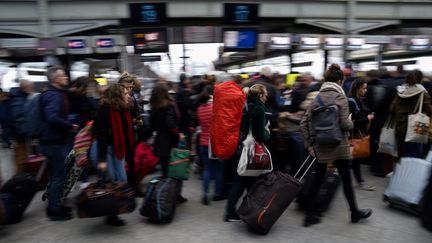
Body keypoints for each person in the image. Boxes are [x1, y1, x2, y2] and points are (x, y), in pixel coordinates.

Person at [300, 64, 372, 227]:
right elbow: (345, 125)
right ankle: (354, 213)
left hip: (321, 146)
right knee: (346, 180)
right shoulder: (341, 98)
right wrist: (352, 122)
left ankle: (309, 216)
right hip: (339, 146)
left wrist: (309, 145)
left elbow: (303, 123)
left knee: (317, 180)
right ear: (340, 81)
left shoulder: (316, 98)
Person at [225, 84, 271, 222]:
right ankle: (234, 212)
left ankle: (247, 210)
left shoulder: (245, 105)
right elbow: (259, 136)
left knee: (246, 182)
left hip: (241, 147)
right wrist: (267, 134)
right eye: (265, 94)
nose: (267, 96)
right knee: (242, 182)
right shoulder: (258, 109)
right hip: (250, 151)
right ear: (260, 95)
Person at [39, 66, 78, 221]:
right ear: (55, 79)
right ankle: (54, 209)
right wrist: (70, 125)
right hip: (54, 142)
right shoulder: (54, 96)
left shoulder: (53, 94)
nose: (66, 78)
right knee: (58, 176)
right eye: (63, 76)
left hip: (52, 141)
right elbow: (51, 117)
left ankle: (56, 205)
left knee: (57, 175)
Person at [93, 83, 135, 226]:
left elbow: (126, 134)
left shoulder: (124, 110)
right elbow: (101, 136)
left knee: (122, 179)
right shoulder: (104, 110)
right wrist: (102, 159)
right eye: (125, 93)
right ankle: (111, 215)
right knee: (111, 181)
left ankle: (116, 209)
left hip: (117, 149)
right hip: (104, 148)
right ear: (117, 95)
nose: (128, 95)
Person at [149, 83, 187, 203]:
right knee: (176, 170)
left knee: (165, 172)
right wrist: (178, 134)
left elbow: (152, 126)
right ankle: (176, 195)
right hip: (170, 143)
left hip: (159, 143)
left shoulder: (154, 107)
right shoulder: (169, 106)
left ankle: (166, 196)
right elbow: (170, 125)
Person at [390, 69, 432, 158]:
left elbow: (391, 109)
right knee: (415, 156)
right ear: (420, 79)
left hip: (400, 129)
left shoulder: (400, 90)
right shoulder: (422, 92)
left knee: (402, 156)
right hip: (416, 128)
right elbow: (429, 111)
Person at [197, 85, 225, 205]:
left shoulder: (199, 109)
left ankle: (205, 194)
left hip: (203, 142)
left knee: (207, 169)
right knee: (219, 168)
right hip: (215, 142)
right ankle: (217, 194)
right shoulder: (213, 107)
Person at [347, 79, 376, 191]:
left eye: (366, 88)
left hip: (354, 134)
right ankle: (360, 182)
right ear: (357, 88)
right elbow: (350, 121)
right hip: (352, 135)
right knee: (354, 159)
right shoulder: (351, 101)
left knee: (354, 159)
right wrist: (367, 119)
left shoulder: (358, 100)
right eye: (363, 88)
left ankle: (359, 181)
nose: (365, 90)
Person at [8, 79, 34, 173]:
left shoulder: (20, 97)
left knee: (22, 156)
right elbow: (19, 119)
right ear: (26, 88)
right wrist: (25, 133)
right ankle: (20, 180)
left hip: (18, 133)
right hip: (19, 135)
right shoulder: (18, 99)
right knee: (21, 157)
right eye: (31, 87)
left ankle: (23, 177)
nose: (32, 89)